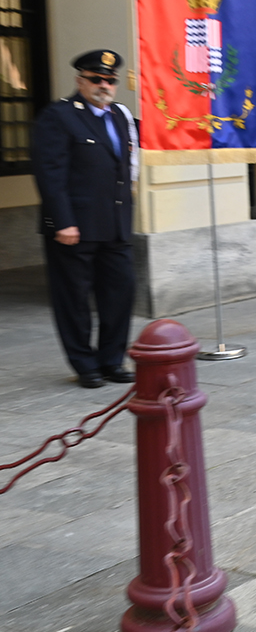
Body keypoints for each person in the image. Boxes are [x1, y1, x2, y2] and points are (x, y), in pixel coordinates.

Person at [31, 50, 138, 389]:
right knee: (74, 300)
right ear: (80, 81)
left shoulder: (120, 117)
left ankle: (111, 360)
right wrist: (62, 222)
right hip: (74, 227)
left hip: (115, 226)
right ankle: (85, 364)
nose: (103, 85)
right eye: (96, 79)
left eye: (110, 80)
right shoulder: (59, 116)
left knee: (121, 294)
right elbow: (50, 174)